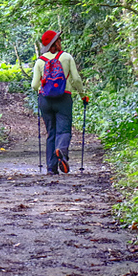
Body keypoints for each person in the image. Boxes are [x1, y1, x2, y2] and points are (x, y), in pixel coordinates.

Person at [31, 30, 89, 174]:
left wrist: (43, 91)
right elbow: (76, 79)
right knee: (63, 130)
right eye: (59, 39)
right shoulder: (66, 57)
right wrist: (83, 95)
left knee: (51, 132)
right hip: (64, 97)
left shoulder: (40, 61)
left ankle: (51, 168)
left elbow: (34, 85)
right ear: (56, 43)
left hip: (45, 100)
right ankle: (61, 149)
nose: (61, 41)